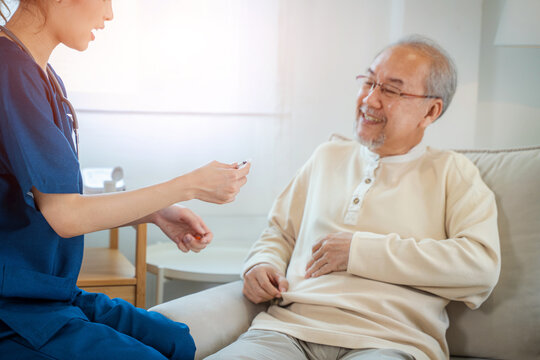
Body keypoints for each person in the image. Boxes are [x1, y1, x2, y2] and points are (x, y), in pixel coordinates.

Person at [207, 36, 500, 360]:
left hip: (390, 342)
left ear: (430, 111)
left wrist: (359, 251)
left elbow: (480, 268)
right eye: (369, 81)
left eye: (390, 90)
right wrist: (262, 263)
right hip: (287, 331)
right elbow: (279, 232)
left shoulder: (452, 172)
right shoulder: (327, 157)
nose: (370, 99)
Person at [0, 1, 251, 359]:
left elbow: (44, 198)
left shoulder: (42, 74)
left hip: (49, 292)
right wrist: (190, 184)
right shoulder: (10, 70)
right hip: (15, 309)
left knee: (178, 341)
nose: (110, 14)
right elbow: (65, 215)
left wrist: (154, 213)